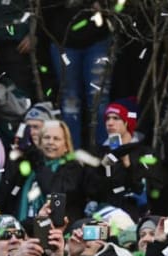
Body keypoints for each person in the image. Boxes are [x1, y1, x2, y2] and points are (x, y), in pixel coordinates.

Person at [42, 0, 112, 147]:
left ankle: (105, 157)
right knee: (69, 102)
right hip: (63, 39)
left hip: (97, 38)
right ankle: (73, 159)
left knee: (99, 100)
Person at [98, 98, 157, 219]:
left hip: (138, 215)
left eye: (116, 118)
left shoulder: (144, 152)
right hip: (107, 215)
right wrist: (101, 168)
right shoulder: (101, 152)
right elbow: (94, 190)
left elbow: (149, 186)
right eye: (107, 119)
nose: (110, 123)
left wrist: (127, 164)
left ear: (127, 122)